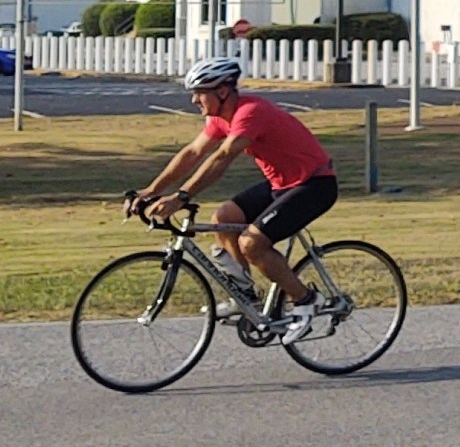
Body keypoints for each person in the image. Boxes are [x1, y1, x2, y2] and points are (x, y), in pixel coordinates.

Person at [129, 57, 339, 343]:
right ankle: (246, 298)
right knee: (223, 219)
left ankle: (306, 300)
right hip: (281, 184)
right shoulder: (219, 118)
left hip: (315, 184)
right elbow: (192, 153)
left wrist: (181, 196)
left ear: (223, 92)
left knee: (252, 243)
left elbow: (222, 157)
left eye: (200, 92)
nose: (194, 100)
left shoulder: (250, 112)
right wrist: (151, 191)